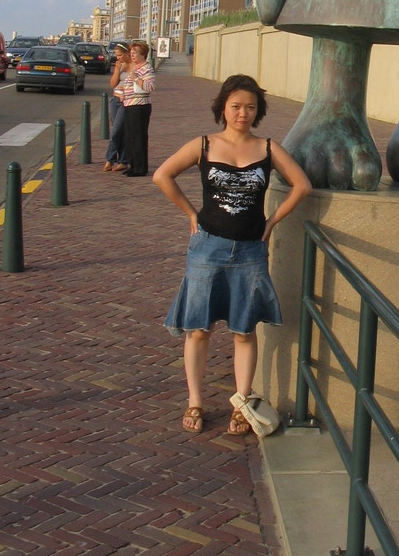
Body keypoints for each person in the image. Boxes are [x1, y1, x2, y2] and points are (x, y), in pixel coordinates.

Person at [153, 74, 311, 435]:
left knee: (244, 331)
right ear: (223, 107)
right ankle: (195, 401)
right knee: (199, 330)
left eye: (250, 107)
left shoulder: (268, 148)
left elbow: (302, 185)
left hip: (250, 252)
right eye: (237, 106)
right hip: (207, 248)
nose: (243, 113)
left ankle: (242, 402)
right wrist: (191, 213)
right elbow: (163, 175)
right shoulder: (205, 145)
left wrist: (272, 222)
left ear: (258, 111)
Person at [120, 40, 155, 177]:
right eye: (131, 53)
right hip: (129, 104)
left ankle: (140, 168)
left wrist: (136, 79)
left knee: (138, 136)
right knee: (130, 136)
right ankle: (132, 165)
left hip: (140, 106)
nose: (132, 55)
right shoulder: (135, 67)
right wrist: (122, 93)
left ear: (143, 55)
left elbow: (150, 87)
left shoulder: (147, 68)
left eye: (135, 53)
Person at [103, 42, 131, 172]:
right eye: (116, 55)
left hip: (126, 101)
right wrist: (117, 70)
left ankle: (110, 159)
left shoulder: (134, 66)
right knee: (118, 131)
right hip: (115, 100)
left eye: (120, 55)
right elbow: (113, 84)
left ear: (127, 53)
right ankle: (123, 161)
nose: (118, 58)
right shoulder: (119, 66)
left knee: (115, 131)